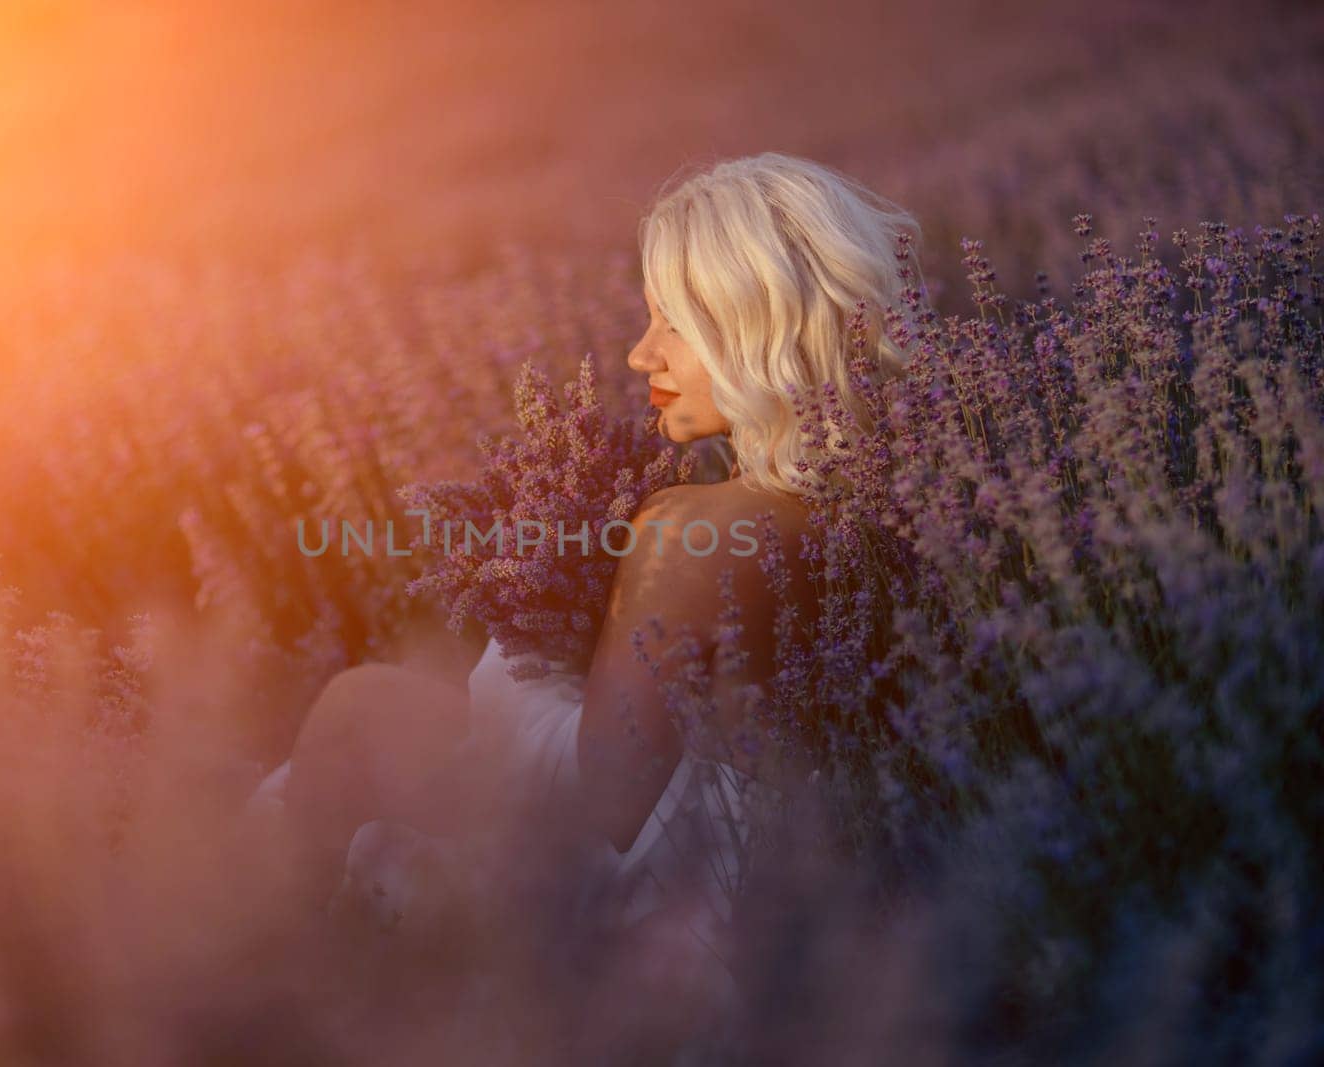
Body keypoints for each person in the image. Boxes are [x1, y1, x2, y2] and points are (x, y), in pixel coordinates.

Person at [248, 152, 922, 1034]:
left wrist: (525, 657)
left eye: (672, 323)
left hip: (661, 917)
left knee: (357, 708)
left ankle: (238, 989)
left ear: (753, 326)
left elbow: (599, 802)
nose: (641, 351)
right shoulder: (903, 506)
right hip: (796, 904)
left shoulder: (691, 527)